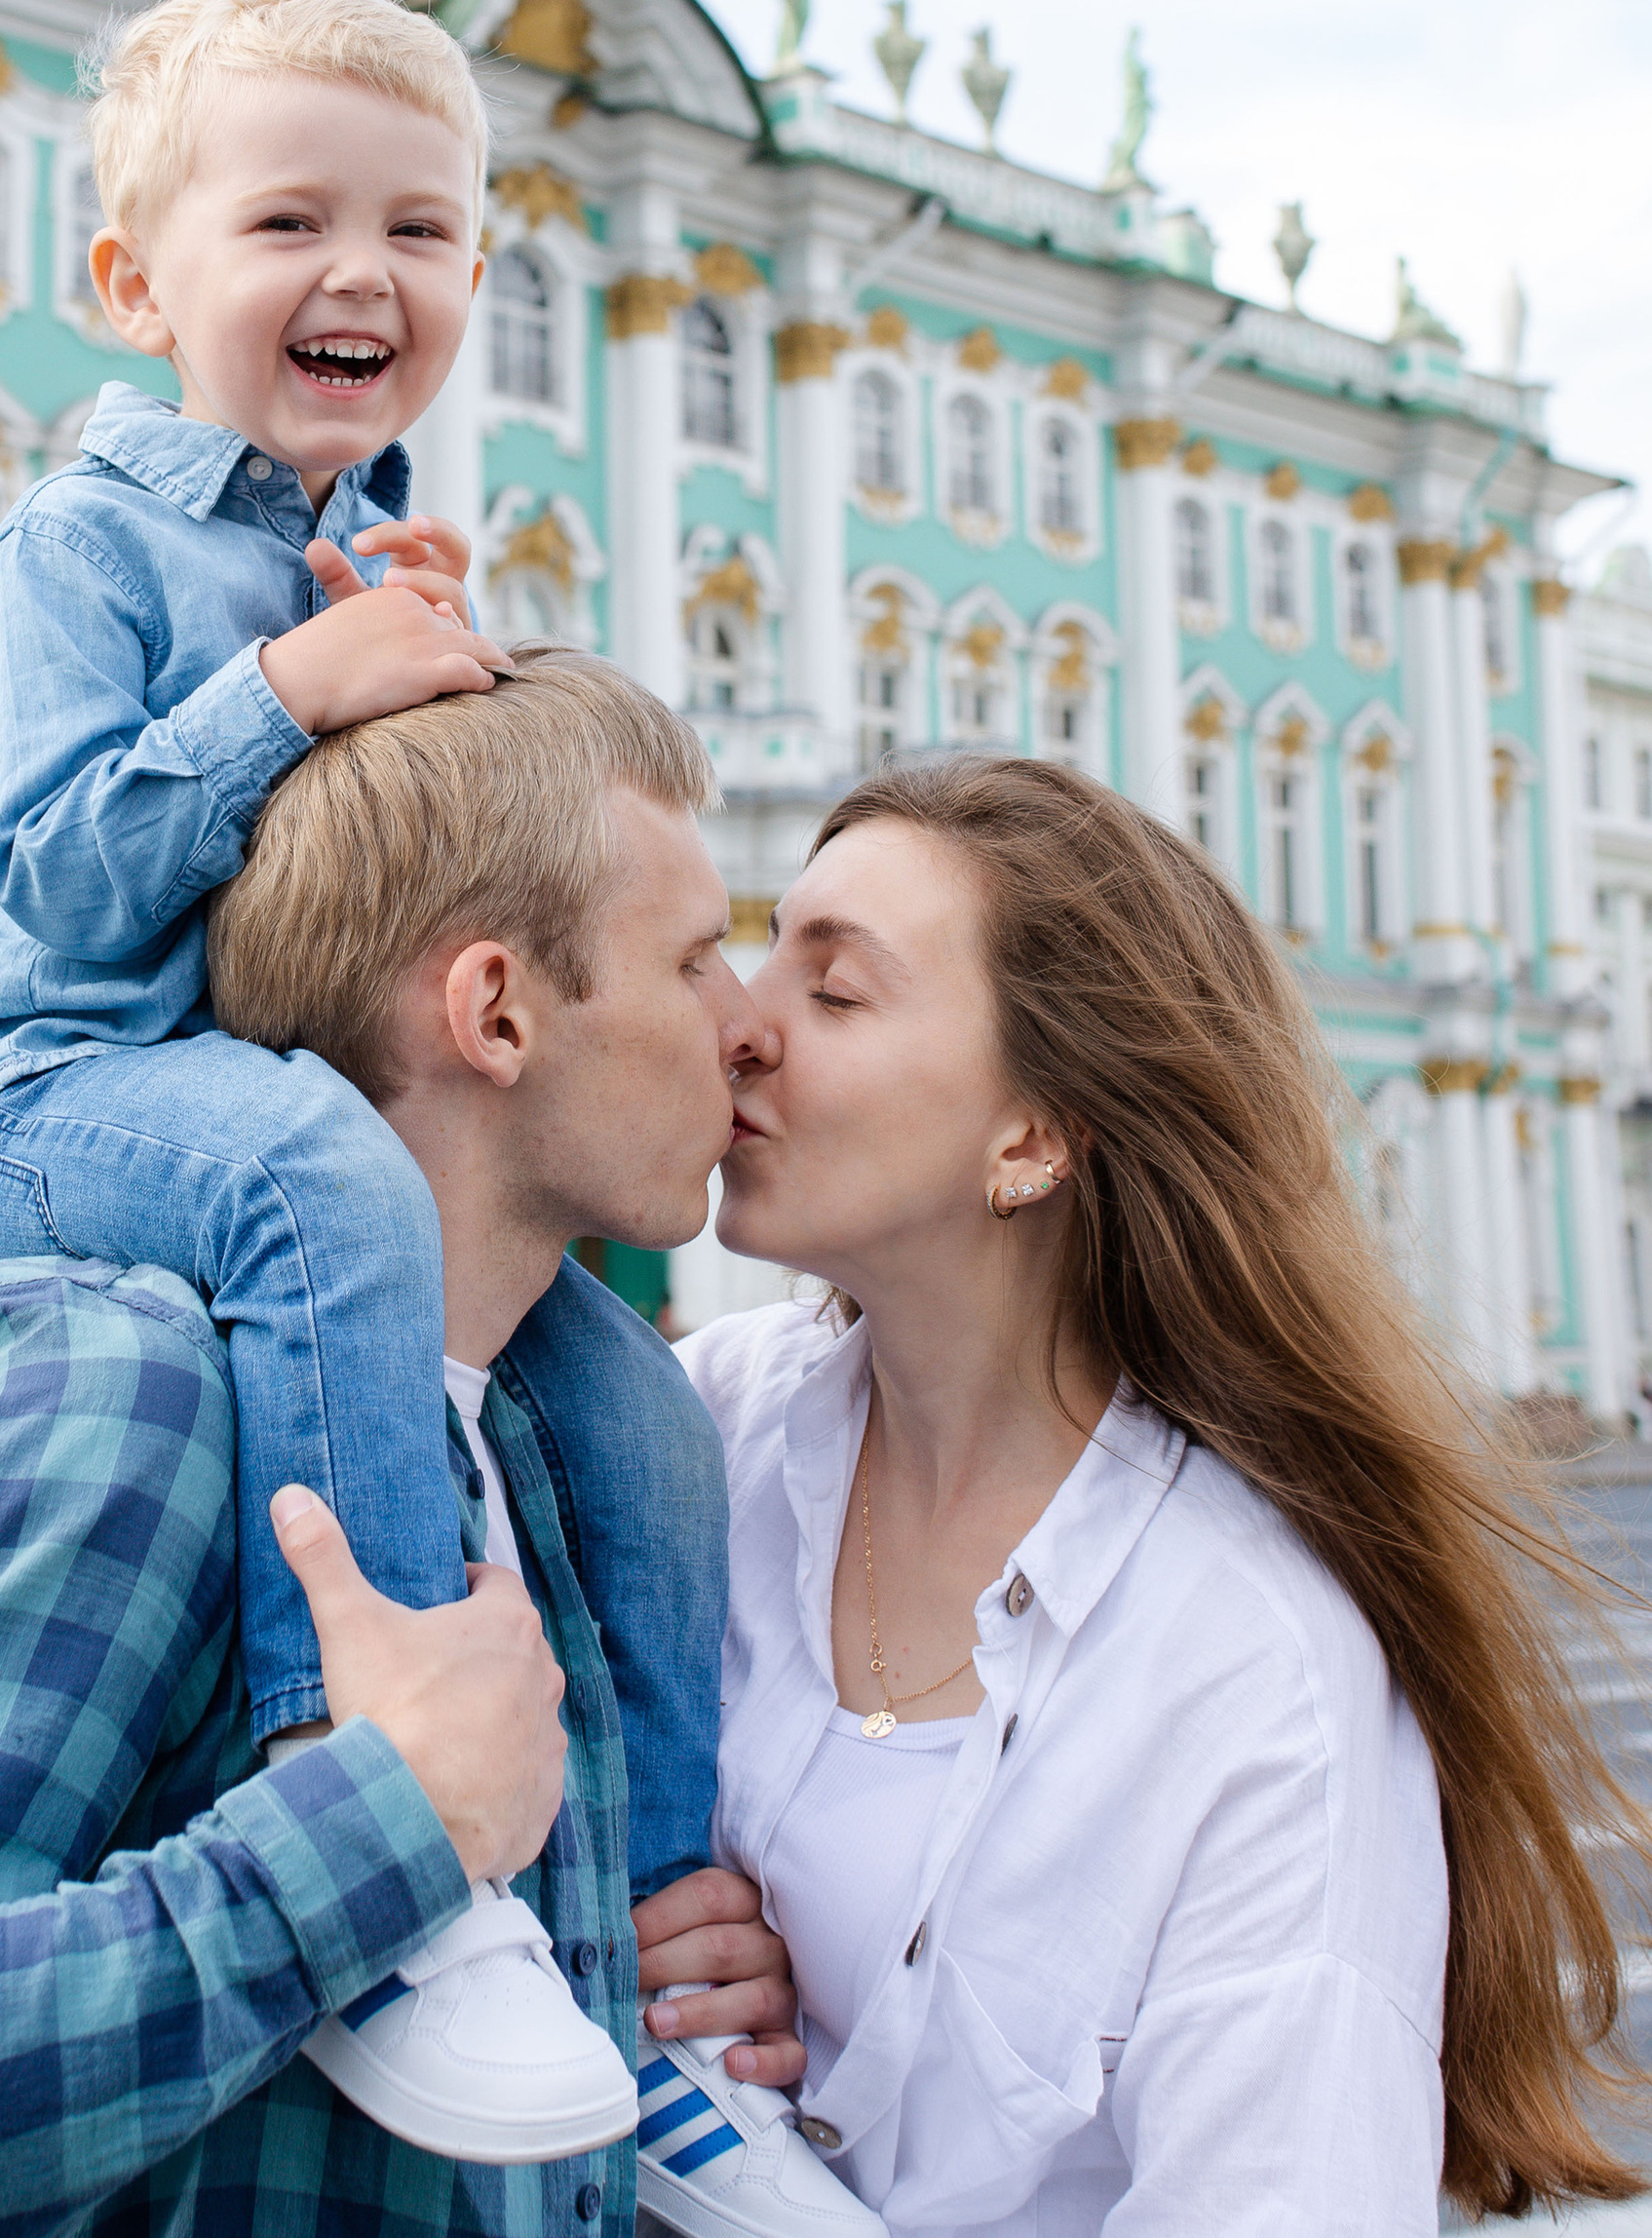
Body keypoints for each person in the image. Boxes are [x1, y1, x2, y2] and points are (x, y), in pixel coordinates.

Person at [0, 649, 851, 2237]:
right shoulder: (123, 1389)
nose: (748, 1027)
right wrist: (381, 1831)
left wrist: (652, 1976)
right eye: (696, 959)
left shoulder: (562, 1444)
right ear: (495, 1011)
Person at [0, 0, 719, 2151]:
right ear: (134, 282)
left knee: (636, 1410)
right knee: (321, 1183)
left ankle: (665, 1965)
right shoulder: (81, 545)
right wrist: (286, 688)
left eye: (421, 230)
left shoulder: (361, 544)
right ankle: (374, 1820)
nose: (364, 269)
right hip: (48, 1101)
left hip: (254, 1107)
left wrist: (441, 699)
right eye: (289, 221)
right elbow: (64, 881)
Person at [676, 753, 1652, 2231]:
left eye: (836, 990)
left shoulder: (1255, 1671)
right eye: (759, 955)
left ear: (1032, 1139)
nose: (741, 1024)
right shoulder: (704, 1431)